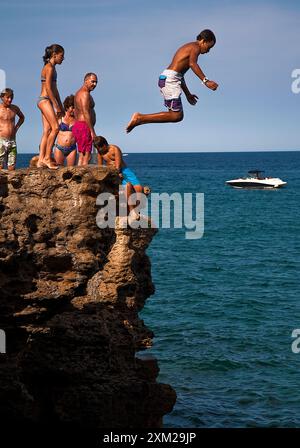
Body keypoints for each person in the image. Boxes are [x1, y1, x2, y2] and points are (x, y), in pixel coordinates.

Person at [126, 29, 218, 133]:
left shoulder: (190, 48)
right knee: (176, 116)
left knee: (175, 115)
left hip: (168, 78)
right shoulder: (195, 47)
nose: (208, 51)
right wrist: (206, 81)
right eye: (209, 47)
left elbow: (180, 76)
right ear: (203, 41)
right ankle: (139, 118)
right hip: (170, 80)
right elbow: (193, 64)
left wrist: (188, 94)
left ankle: (140, 119)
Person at [94, 136, 150, 216]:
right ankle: (132, 211)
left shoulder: (115, 149)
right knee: (126, 188)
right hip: (112, 172)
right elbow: (100, 166)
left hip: (124, 170)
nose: (99, 150)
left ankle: (137, 209)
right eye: (97, 148)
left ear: (105, 144)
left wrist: (118, 172)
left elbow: (118, 164)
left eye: (100, 147)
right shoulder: (100, 153)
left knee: (138, 188)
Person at [37, 44, 65, 169]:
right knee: (55, 128)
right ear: (55, 55)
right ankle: (48, 158)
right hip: (45, 100)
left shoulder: (53, 68)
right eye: (61, 56)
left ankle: (41, 160)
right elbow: (48, 88)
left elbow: (55, 89)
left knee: (47, 131)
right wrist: (56, 106)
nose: (63, 58)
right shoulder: (49, 68)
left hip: (44, 100)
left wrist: (60, 105)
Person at [73, 73, 98, 166]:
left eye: (96, 82)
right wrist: (92, 131)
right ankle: (82, 179)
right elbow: (85, 112)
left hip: (80, 125)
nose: (94, 84)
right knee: (86, 156)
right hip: (84, 126)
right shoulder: (84, 94)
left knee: (82, 155)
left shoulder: (79, 93)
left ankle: (79, 177)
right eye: (92, 81)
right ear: (85, 81)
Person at [0, 88, 24, 171]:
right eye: (8, 97)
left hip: (12, 141)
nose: (10, 100)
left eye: (11, 98)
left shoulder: (15, 108)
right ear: (2, 97)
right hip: (1, 141)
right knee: (0, 167)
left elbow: (22, 117)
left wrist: (16, 127)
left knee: (12, 167)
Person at [54, 95, 77, 166]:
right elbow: (52, 131)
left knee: (71, 171)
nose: (74, 110)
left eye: (75, 108)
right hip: (59, 148)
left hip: (72, 149)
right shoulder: (60, 117)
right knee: (57, 170)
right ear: (67, 107)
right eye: (72, 108)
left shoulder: (77, 119)